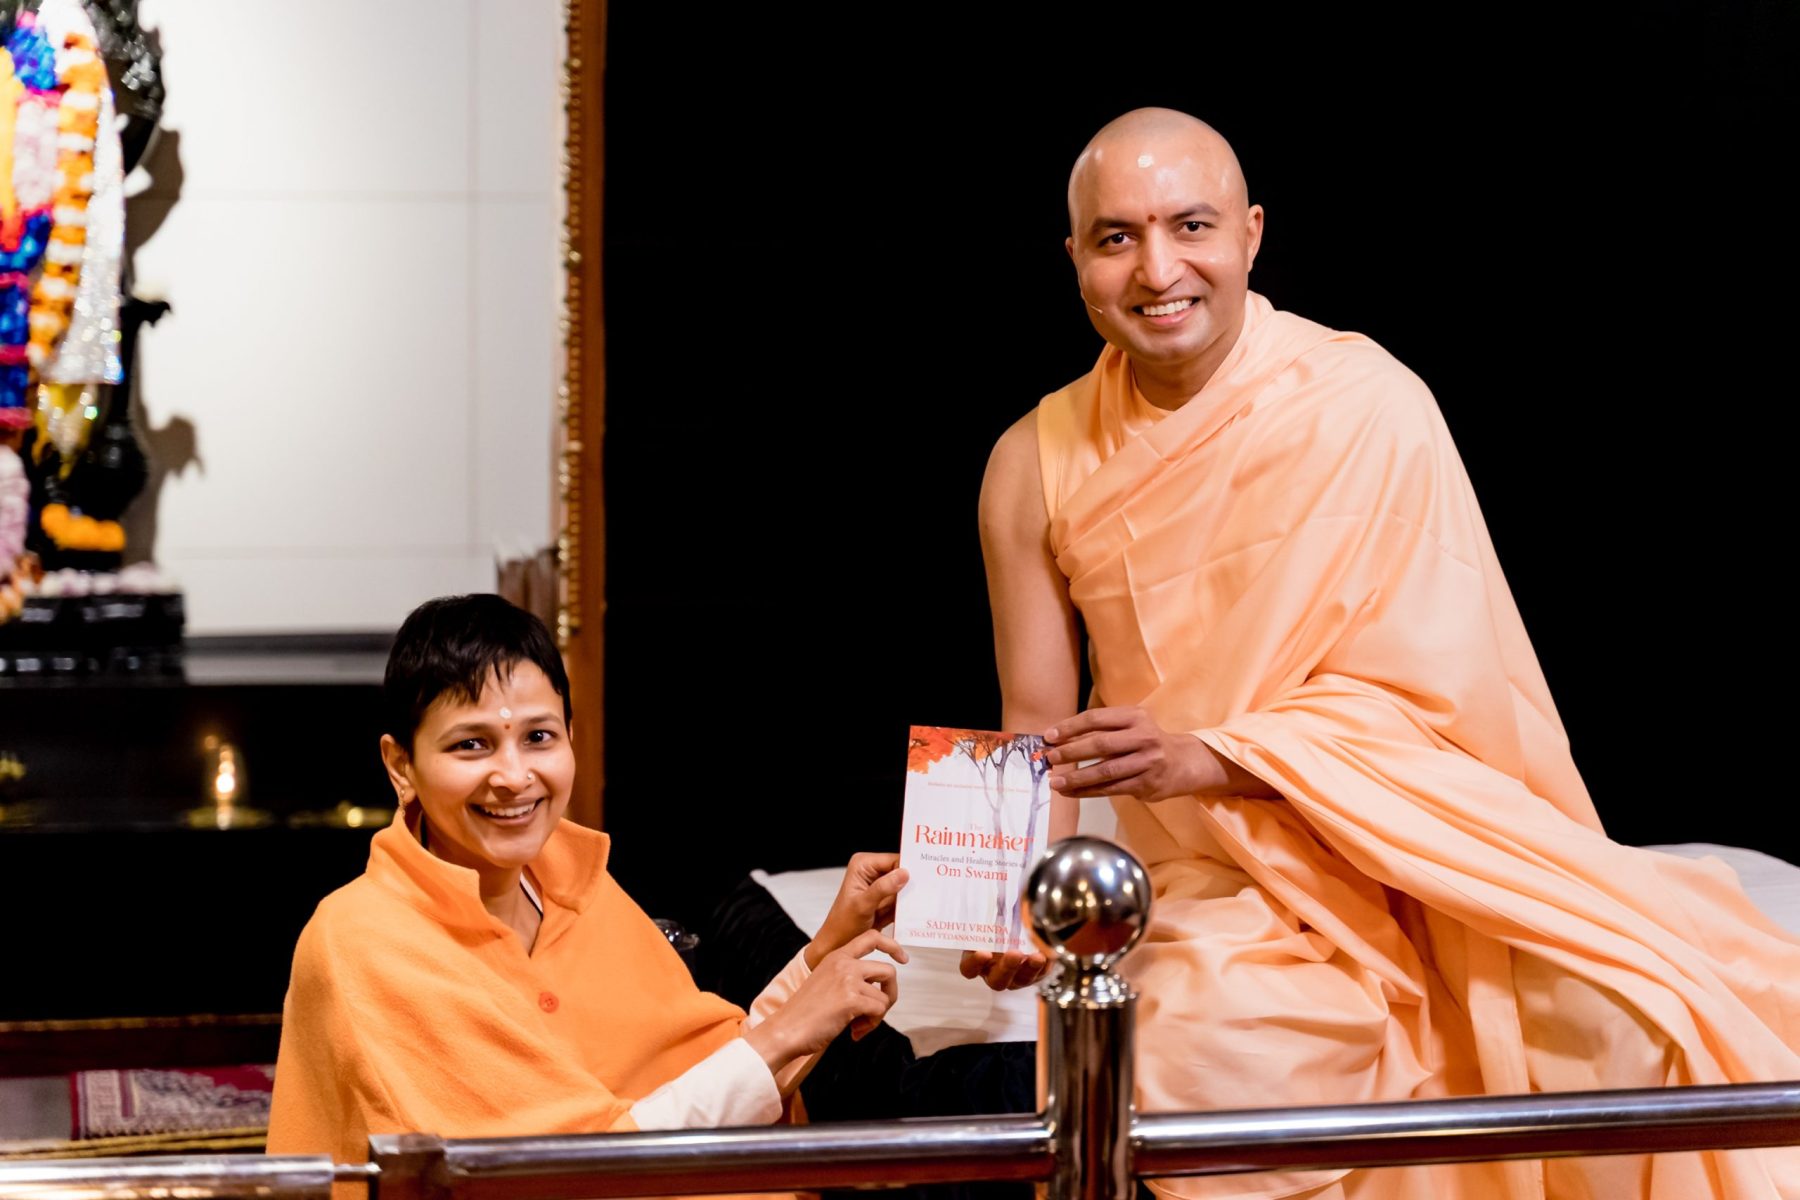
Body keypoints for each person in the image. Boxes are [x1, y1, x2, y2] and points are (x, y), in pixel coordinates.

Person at [968, 107, 1800, 1198]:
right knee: (1200, 1048)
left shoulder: (1369, 405)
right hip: (1210, 876)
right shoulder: (1032, 459)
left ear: (1251, 234)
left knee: (1635, 1022)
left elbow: (1441, 705)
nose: (1158, 270)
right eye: (1117, 237)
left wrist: (1204, 756)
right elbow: (1037, 729)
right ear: (1076, 256)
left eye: (1191, 226)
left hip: (1423, 844)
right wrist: (1003, 906)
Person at [267, 594, 909, 1188]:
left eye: (538, 737)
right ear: (401, 765)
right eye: (472, 745)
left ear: (571, 735)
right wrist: (785, 1032)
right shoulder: (364, 941)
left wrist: (827, 953)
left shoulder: (573, 886)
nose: (514, 776)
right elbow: (560, 1171)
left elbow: (708, 1084)